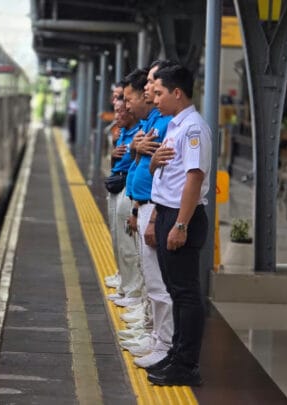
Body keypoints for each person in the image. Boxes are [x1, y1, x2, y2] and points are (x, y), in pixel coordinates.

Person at [146, 64, 212, 386]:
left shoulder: (193, 129)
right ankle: (176, 354)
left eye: (159, 93)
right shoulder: (175, 125)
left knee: (185, 294)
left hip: (182, 217)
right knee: (175, 290)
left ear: (177, 93)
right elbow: (168, 174)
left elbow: (194, 178)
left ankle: (187, 365)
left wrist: (181, 225)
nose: (155, 98)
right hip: (168, 213)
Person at [122, 60, 176, 368]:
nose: (148, 91)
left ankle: (162, 343)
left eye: (153, 85)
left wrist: (154, 215)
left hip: (154, 207)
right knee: (151, 278)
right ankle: (155, 336)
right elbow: (142, 161)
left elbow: (167, 172)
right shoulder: (156, 120)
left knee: (158, 283)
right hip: (143, 204)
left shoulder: (171, 123)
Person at [105, 98, 140, 300]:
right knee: (118, 239)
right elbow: (116, 164)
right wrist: (113, 153)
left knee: (129, 245)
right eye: (116, 111)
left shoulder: (140, 132)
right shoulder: (121, 133)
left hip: (129, 188)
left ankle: (133, 291)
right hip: (118, 185)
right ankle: (125, 284)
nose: (117, 116)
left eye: (121, 111)